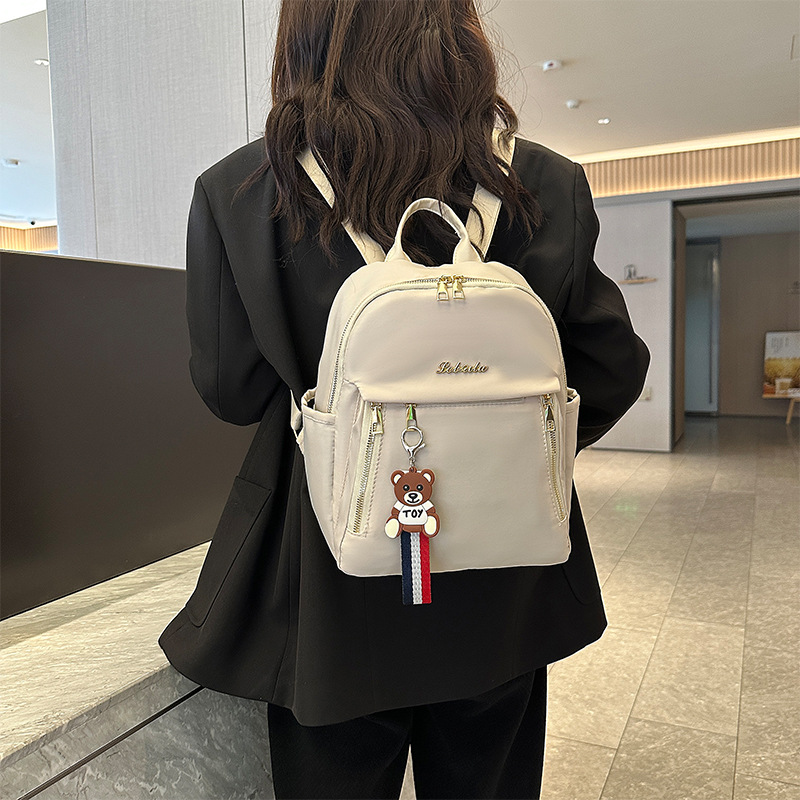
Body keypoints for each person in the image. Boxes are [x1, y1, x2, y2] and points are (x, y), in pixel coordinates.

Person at [159, 1, 650, 797]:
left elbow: (232, 390)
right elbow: (612, 371)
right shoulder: (543, 181)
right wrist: (495, 440)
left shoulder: (242, 190)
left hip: (330, 588)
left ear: (304, 34)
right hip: (502, 584)